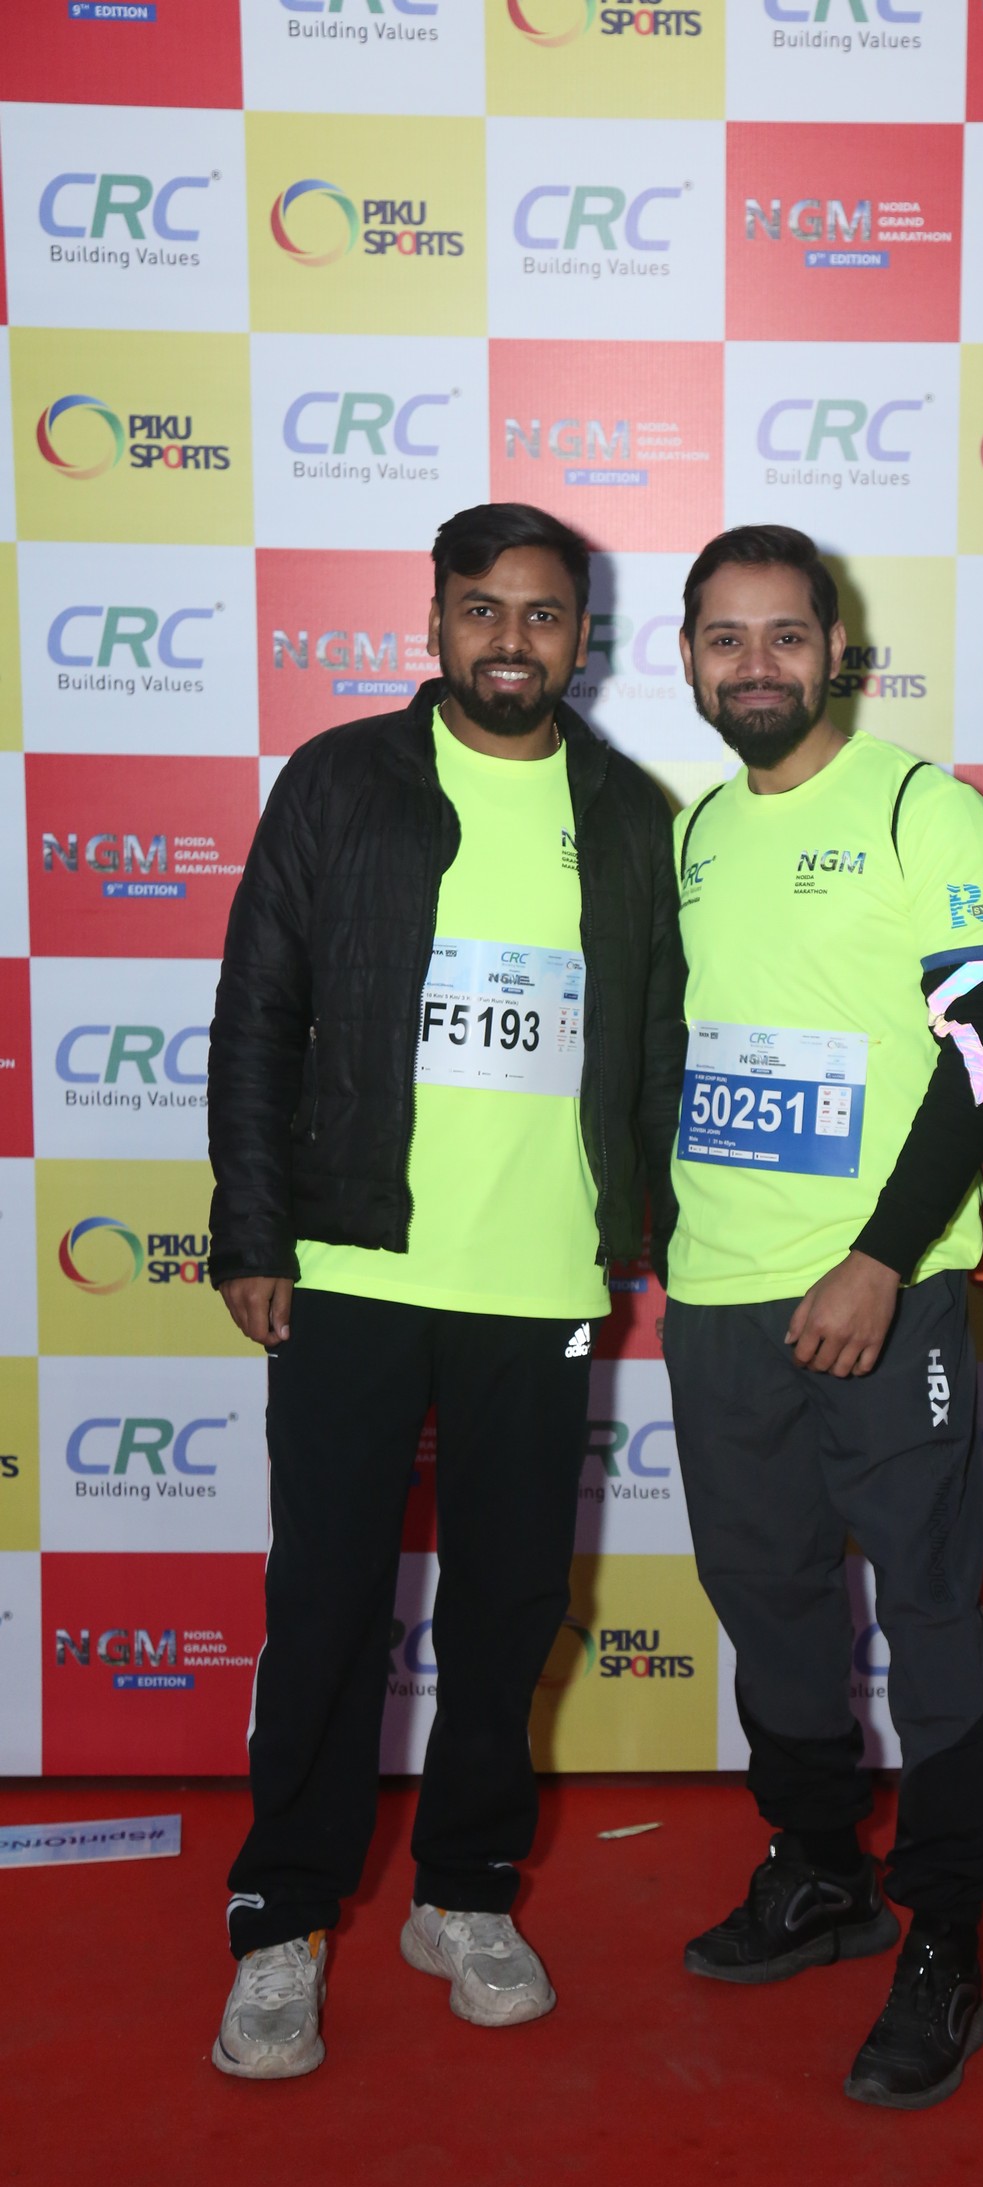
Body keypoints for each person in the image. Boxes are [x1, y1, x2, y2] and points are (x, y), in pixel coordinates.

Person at [206, 502, 684, 2078]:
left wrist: (653, 1229)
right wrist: (254, 1230)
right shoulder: (341, 782)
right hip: (352, 1260)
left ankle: (464, 1894)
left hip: (538, 1280)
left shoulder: (625, 813)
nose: (511, 640)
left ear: (582, 638)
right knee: (327, 1602)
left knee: (507, 1609)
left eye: (543, 615)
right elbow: (258, 1012)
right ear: (435, 622)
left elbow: (656, 1052)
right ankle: (282, 1919)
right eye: (484, 609)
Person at [664, 524, 983, 2108]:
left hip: (886, 1293)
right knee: (771, 1607)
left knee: (932, 1613)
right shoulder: (692, 831)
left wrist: (882, 1258)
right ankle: (820, 1869)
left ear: (838, 653)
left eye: (785, 636)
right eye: (725, 638)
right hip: (717, 1293)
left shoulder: (921, 809)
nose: (756, 665)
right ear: (690, 659)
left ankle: (943, 1937)